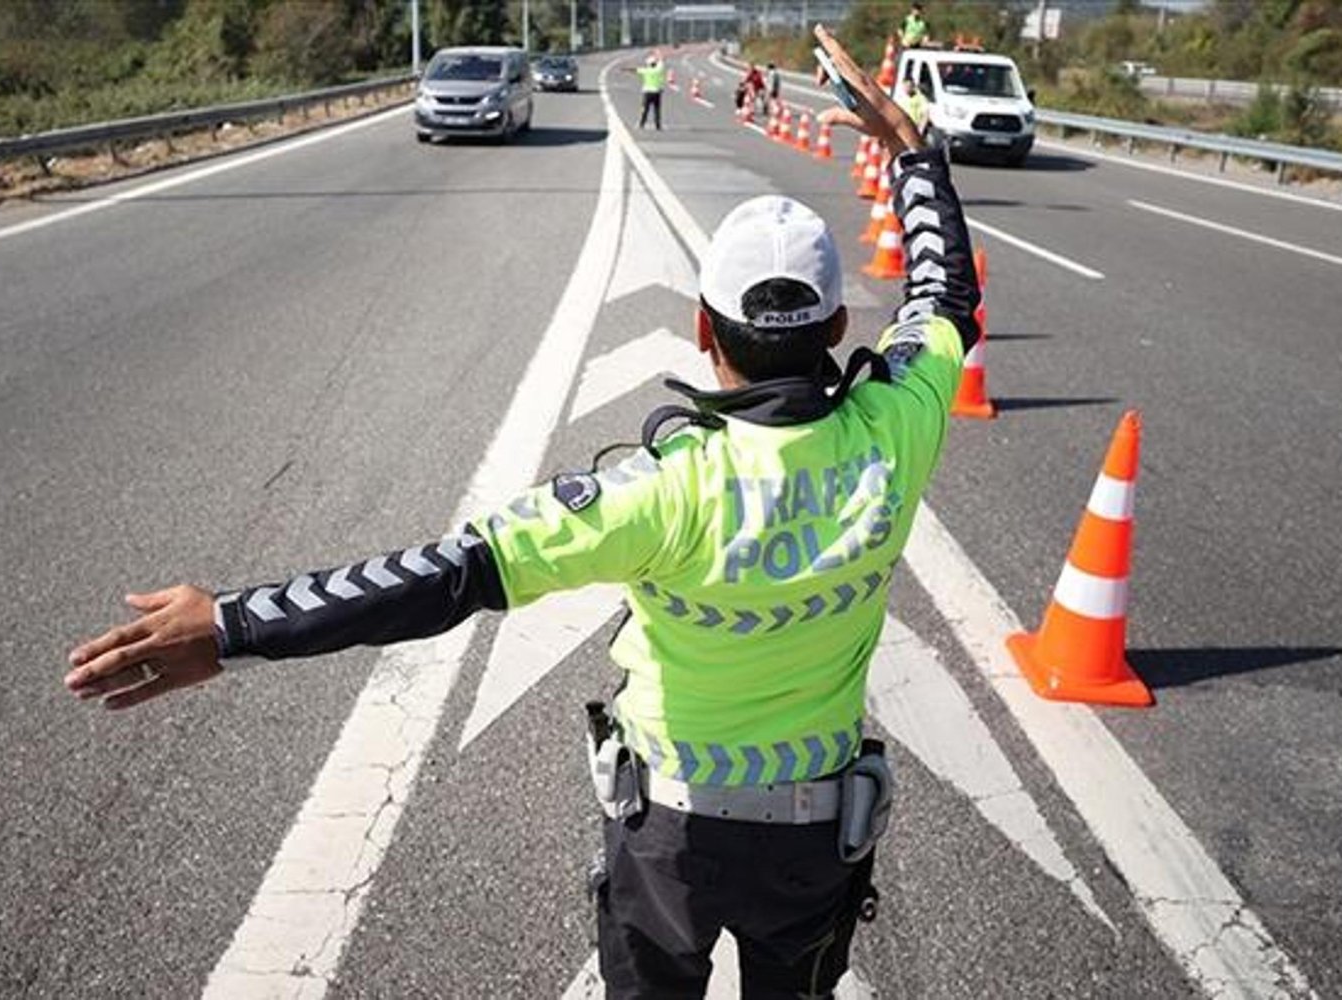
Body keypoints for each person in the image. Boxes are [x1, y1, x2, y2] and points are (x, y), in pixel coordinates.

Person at [64, 22, 979, 999]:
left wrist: (234, 625)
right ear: (840, 326)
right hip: (814, 839)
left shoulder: (663, 491)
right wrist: (913, 153)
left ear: (702, 327)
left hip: (670, 838)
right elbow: (946, 294)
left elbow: (443, 576)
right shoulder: (898, 426)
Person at [635, 53, 667, 130]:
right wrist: (659, 56)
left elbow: (636, 70)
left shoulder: (646, 70)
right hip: (657, 92)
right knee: (657, 109)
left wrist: (624, 69)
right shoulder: (659, 69)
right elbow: (662, 61)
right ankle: (658, 125)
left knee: (645, 109)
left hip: (647, 92)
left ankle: (641, 124)